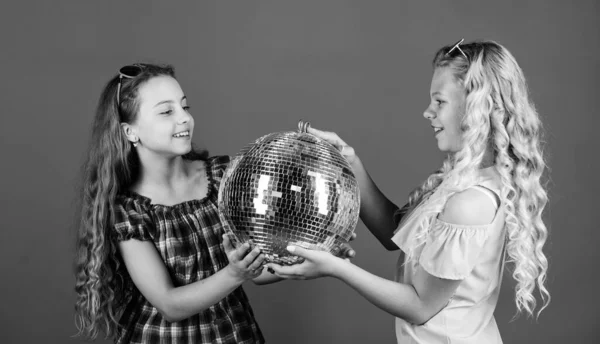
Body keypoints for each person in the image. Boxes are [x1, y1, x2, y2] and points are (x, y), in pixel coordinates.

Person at [268, 40, 551, 343]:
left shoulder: (470, 203)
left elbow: (420, 307)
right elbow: (395, 233)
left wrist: (335, 268)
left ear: (476, 107)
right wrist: (350, 164)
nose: (427, 112)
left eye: (439, 101)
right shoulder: (461, 181)